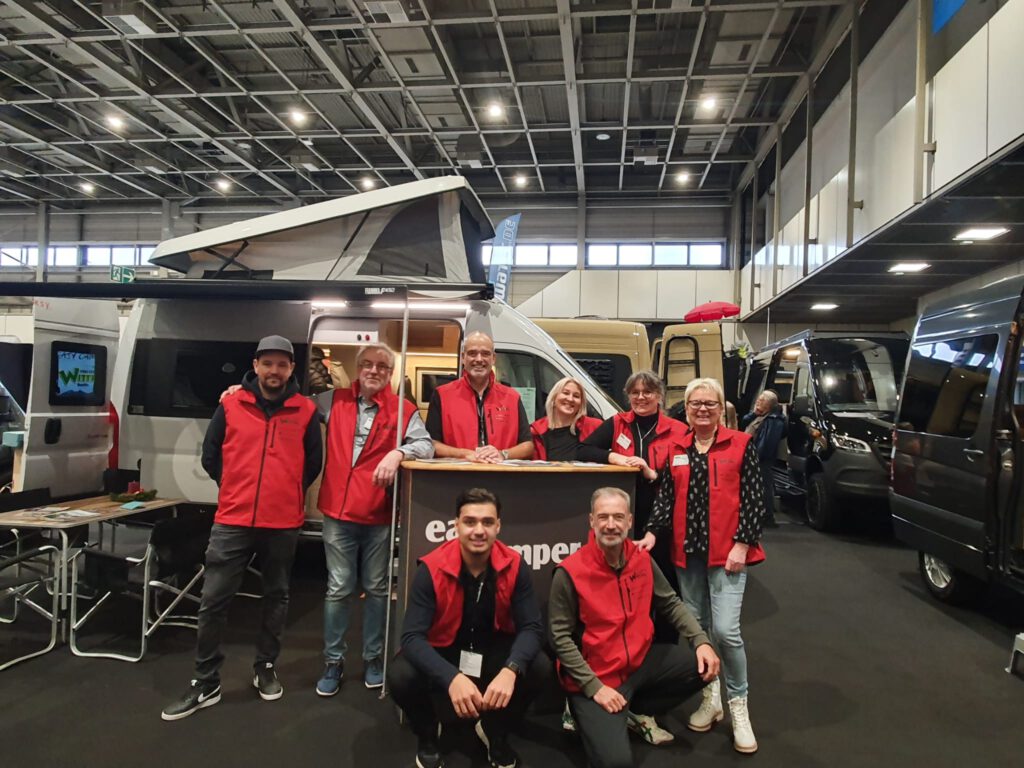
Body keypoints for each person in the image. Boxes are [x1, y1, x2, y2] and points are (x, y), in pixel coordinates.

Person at [161, 335, 322, 721]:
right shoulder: (231, 404)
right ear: (255, 366)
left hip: (282, 522)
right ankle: (206, 680)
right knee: (213, 600)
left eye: (281, 364)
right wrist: (234, 486)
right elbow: (210, 454)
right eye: (268, 363)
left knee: (277, 596)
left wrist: (286, 491)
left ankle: (265, 667)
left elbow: (312, 464)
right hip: (233, 519)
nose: (274, 371)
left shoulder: (305, 410)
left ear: (291, 369)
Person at [549, 487, 720, 768]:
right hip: (598, 676)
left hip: (639, 664)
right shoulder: (570, 571)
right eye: (603, 517)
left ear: (630, 521)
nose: (611, 525)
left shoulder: (641, 558)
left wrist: (701, 640)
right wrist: (594, 687)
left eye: (618, 517)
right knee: (617, 763)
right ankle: (580, 711)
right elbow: (559, 639)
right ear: (591, 521)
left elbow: (670, 603)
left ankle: (636, 711)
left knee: (704, 666)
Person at [639, 377, 766, 754]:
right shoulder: (676, 447)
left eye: (710, 403)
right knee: (699, 630)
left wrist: (742, 544)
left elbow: (754, 499)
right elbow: (666, 496)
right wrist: (652, 532)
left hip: (728, 555)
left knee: (726, 632)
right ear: (687, 409)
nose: (702, 409)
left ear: (721, 408)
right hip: (687, 554)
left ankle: (739, 706)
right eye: (695, 403)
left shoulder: (740, 444)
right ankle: (711, 699)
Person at [387, 488, 549, 768]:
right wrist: (451, 677)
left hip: (490, 649)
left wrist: (511, 670)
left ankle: (494, 729)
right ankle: (428, 733)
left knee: (538, 666)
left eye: (487, 522)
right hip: (446, 651)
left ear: (498, 526)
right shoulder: (432, 569)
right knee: (401, 675)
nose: (479, 530)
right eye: (470, 521)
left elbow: (532, 627)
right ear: (456, 525)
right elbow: (411, 637)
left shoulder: (514, 564)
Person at [313, 343, 434, 696]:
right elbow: (290, 404)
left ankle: (373, 658)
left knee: (378, 589)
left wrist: (399, 452)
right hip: (337, 511)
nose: (374, 370)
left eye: (382, 366)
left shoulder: (404, 409)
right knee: (338, 588)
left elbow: (426, 446)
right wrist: (241, 388)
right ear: (358, 367)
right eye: (367, 364)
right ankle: (333, 661)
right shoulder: (332, 401)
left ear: (391, 373)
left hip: (379, 513)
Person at [426, 331, 533, 463]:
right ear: (463, 357)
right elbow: (431, 444)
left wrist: (502, 454)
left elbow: (528, 446)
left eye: (485, 353)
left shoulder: (512, 397)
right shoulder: (442, 395)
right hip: (458, 474)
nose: (479, 359)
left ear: (493, 358)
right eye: (472, 353)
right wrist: (464, 454)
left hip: (501, 473)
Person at [741, 389, 787, 526]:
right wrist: (754, 413)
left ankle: (767, 516)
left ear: (769, 404)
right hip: (752, 457)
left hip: (761, 459)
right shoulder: (760, 416)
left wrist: (756, 457)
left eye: (761, 400)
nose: (757, 402)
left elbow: (768, 443)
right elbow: (744, 422)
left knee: (763, 487)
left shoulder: (774, 420)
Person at [529, 376, 602, 461]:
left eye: (576, 396)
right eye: (565, 393)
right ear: (554, 398)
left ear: (581, 404)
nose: (570, 399)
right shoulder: (535, 432)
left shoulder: (594, 427)